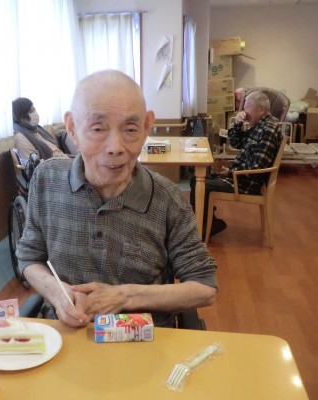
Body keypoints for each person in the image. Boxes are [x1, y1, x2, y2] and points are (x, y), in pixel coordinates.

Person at [15, 70, 218, 328]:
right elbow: (28, 257)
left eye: (130, 129)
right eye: (98, 128)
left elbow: (204, 287)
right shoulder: (46, 179)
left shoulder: (168, 199)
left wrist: (125, 296)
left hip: (140, 339)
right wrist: (57, 293)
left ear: (146, 128)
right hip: (66, 335)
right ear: (72, 128)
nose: (115, 147)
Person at [190, 90, 283, 239]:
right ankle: (207, 222)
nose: (244, 113)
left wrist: (230, 172)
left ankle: (204, 226)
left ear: (260, 109)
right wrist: (237, 124)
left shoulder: (268, 129)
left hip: (244, 183)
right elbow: (235, 142)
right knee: (196, 180)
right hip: (239, 176)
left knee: (200, 184)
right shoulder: (259, 126)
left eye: (247, 108)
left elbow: (258, 166)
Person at [12, 97, 67, 165]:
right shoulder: (20, 137)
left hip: (62, 161)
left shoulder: (37, 129)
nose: (35, 113)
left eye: (34, 109)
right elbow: (34, 164)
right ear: (21, 117)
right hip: (53, 167)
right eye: (30, 111)